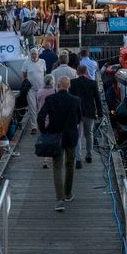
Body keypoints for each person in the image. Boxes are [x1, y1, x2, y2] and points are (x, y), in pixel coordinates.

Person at [38, 76, 82, 211]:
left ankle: (59, 200)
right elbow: (79, 118)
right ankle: (68, 193)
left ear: (57, 85)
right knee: (70, 164)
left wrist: (44, 131)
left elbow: (40, 116)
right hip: (70, 136)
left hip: (55, 136)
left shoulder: (51, 99)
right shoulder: (75, 100)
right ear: (69, 86)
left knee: (57, 167)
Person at [70, 64, 103, 166]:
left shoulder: (72, 82)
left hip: (77, 113)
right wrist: (100, 113)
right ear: (87, 72)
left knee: (78, 136)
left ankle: (78, 158)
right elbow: (97, 99)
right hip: (89, 111)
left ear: (77, 72)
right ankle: (89, 155)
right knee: (89, 134)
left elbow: (70, 98)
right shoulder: (93, 83)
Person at [23, 48, 46, 133]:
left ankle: (42, 124)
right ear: (30, 55)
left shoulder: (43, 62)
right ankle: (34, 127)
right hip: (31, 89)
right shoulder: (26, 62)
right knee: (32, 108)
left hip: (41, 88)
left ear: (38, 54)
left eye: (35, 54)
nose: (34, 55)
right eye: (32, 54)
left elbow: (44, 73)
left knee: (42, 107)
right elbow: (24, 75)